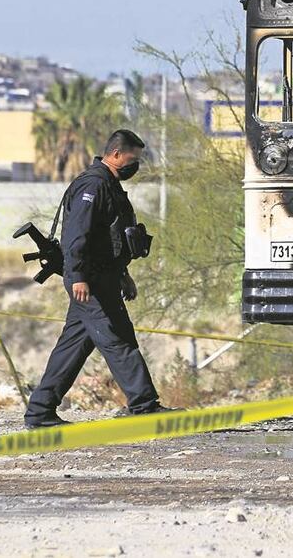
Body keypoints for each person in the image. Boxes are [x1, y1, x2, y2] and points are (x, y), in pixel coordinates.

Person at [24, 130, 173, 428]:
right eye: (133, 159)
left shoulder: (109, 185)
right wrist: (78, 276)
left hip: (102, 276)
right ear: (116, 154)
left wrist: (123, 275)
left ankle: (40, 411)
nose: (136, 165)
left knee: (74, 344)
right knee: (118, 339)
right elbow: (77, 235)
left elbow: (109, 239)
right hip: (89, 279)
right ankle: (144, 405)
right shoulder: (92, 185)